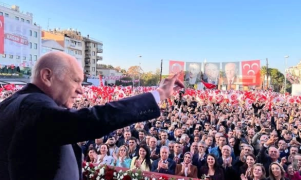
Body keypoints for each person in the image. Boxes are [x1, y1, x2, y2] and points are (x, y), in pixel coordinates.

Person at [0, 51, 184, 180]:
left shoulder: (10, 105)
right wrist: (158, 95)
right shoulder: (32, 106)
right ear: (47, 76)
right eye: (76, 81)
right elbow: (93, 119)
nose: (81, 90)